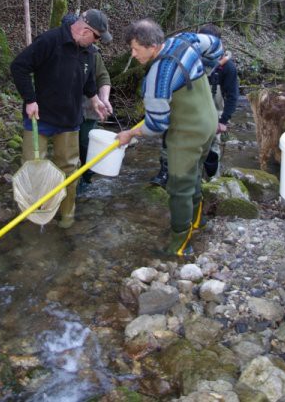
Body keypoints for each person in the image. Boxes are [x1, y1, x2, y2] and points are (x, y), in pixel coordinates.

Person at [116, 19, 223, 256]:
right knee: (194, 172)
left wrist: (130, 133)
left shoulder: (156, 78)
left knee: (179, 186)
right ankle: (198, 221)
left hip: (188, 134)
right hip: (209, 123)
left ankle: (180, 244)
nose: (132, 55)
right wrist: (204, 71)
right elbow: (216, 46)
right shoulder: (186, 41)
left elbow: (156, 125)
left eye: (135, 49)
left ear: (152, 45)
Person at [10, 9, 112, 229]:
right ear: (86, 30)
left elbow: (88, 82)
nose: (97, 42)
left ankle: (66, 218)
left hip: (69, 121)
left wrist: (95, 100)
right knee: (32, 166)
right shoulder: (50, 40)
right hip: (40, 118)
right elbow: (19, 66)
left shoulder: (88, 52)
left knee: (68, 171)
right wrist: (30, 99)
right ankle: (33, 217)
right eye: (96, 37)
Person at [151, 23, 239, 186]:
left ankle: (212, 181)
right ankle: (166, 174)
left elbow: (233, 96)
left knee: (211, 149)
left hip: (212, 114)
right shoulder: (187, 59)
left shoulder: (228, 68)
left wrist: (224, 120)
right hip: (184, 109)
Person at [61, 14, 113, 192]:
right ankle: (69, 181)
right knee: (68, 147)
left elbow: (102, 77)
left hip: (90, 108)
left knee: (87, 143)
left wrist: (104, 98)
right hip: (66, 110)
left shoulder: (93, 53)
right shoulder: (58, 47)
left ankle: (86, 178)